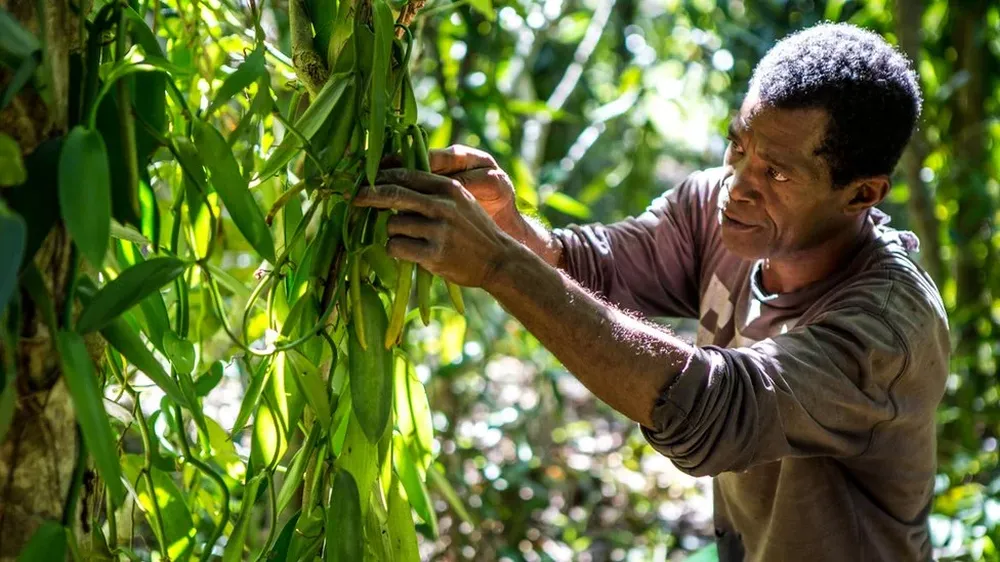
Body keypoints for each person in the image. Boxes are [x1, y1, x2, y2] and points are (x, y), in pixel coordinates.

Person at [354, 22, 949, 562]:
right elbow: (595, 268)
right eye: (738, 146)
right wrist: (509, 227)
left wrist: (498, 264)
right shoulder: (719, 211)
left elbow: (714, 411)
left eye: (777, 173)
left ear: (861, 195)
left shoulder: (888, 330)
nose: (737, 185)